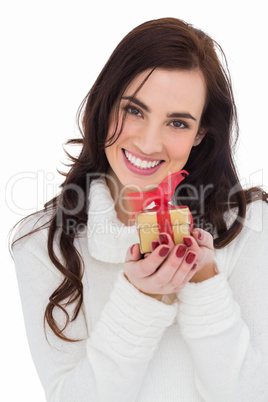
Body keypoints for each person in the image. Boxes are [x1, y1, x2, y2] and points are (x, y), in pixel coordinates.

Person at [11, 17, 268, 402]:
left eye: (177, 122)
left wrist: (205, 285)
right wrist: (140, 299)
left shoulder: (251, 225)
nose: (149, 143)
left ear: (201, 133)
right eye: (134, 110)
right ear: (105, 104)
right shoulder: (41, 244)